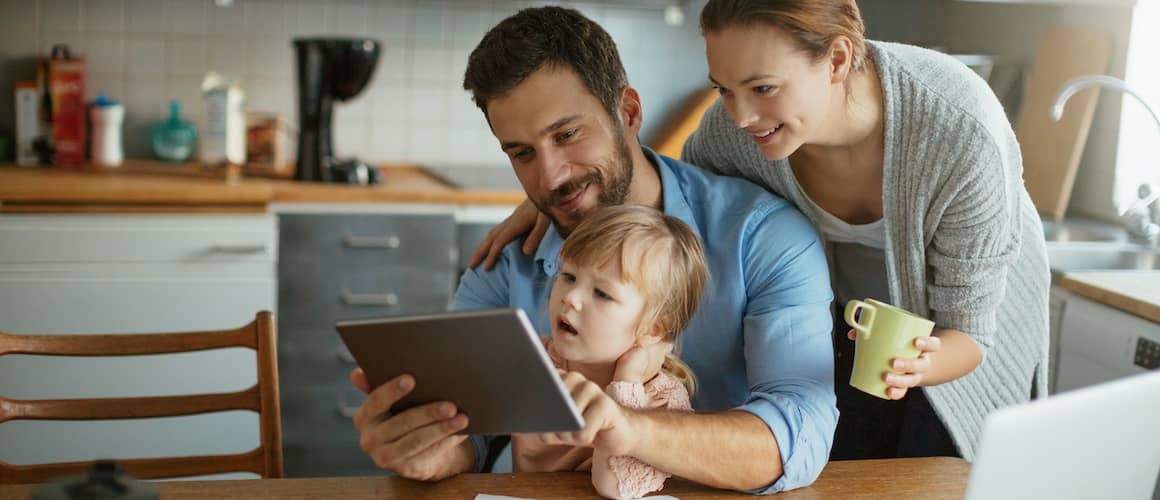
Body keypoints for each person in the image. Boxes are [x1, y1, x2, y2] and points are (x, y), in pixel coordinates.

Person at [473, 0, 1051, 461]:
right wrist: (558, 197)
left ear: (838, 60)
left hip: (961, 334)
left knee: (944, 466)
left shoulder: (959, 131)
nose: (741, 114)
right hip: (856, 326)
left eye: (763, 88)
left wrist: (919, 364)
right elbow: (670, 188)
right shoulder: (734, 134)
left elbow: (972, 331)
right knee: (845, 462)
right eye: (724, 89)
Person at [350, 5, 839, 494]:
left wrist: (628, 428)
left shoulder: (764, 237)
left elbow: (799, 433)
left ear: (627, 112)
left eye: (567, 134)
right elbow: (471, 432)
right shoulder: (502, 265)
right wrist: (430, 449)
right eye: (522, 153)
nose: (550, 177)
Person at [514, 205, 704, 499]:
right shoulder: (538, 360)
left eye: (602, 293)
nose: (571, 298)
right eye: (568, 276)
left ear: (652, 329)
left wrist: (625, 383)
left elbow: (613, 486)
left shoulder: (662, 400)